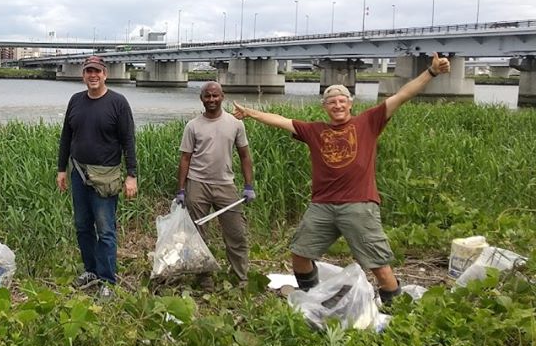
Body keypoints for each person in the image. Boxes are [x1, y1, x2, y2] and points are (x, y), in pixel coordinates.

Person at [232, 53, 451, 305]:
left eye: (341, 101)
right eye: (331, 102)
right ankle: (312, 299)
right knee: (300, 255)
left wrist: (431, 72)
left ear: (350, 104)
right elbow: (282, 121)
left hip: (359, 205)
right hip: (322, 205)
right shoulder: (315, 130)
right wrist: (250, 112)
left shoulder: (368, 121)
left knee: (378, 265)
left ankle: (396, 310)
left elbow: (402, 95)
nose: (337, 105)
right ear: (324, 107)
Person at [57, 55, 138, 298]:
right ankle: (91, 270)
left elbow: (128, 141)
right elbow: (66, 137)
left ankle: (107, 280)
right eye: (88, 71)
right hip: (78, 174)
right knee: (82, 226)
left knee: (105, 229)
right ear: (83, 75)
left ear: (105, 74)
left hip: (106, 176)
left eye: (97, 71)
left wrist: (131, 175)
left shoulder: (118, 102)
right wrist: (62, 169)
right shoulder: (75, 101)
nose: (93, 75)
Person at [177, 81, 255, 289]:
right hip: (198, 184)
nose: (211, 100)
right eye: (207, 96)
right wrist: (182, 190)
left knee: (236, 233)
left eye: (215, 96)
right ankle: (204, 277)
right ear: (201, 99)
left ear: (223, 97)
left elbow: (245, 155)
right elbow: (185, 158)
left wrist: (249, 186)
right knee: (198, 234)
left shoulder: (235, 124)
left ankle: (240, 277)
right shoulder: (193, 125)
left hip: (225, 185)